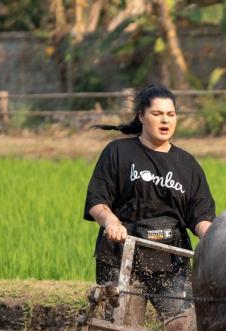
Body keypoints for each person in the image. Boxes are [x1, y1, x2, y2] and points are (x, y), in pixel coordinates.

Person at [83, 84, 216, 319]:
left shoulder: (187, 164)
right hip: (121, 252)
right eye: (157, 114)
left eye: (170, 114)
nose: (165, 120)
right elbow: (97, 199)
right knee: (118, 323)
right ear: (141, 116)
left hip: (171, 257)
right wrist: (111, 222)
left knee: (182, 326)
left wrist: (215, 237)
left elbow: (201, 215)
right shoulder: (118, 152)